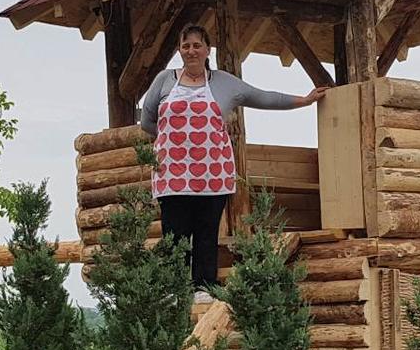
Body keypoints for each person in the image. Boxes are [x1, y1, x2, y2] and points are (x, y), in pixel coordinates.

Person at [139, 23, 327, 301]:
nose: (191, 51)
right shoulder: (165, 80)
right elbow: (147, 121)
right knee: (174, 235)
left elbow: (263, 97)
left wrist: (304, 100)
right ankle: (173, 289)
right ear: (179, 50)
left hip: (212, 175)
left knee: (206, 233)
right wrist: (175, 142)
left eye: (197, 45)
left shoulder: (224, 82)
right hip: (173, 175)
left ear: (207, 50)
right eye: (185, 45)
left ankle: (203, 288)